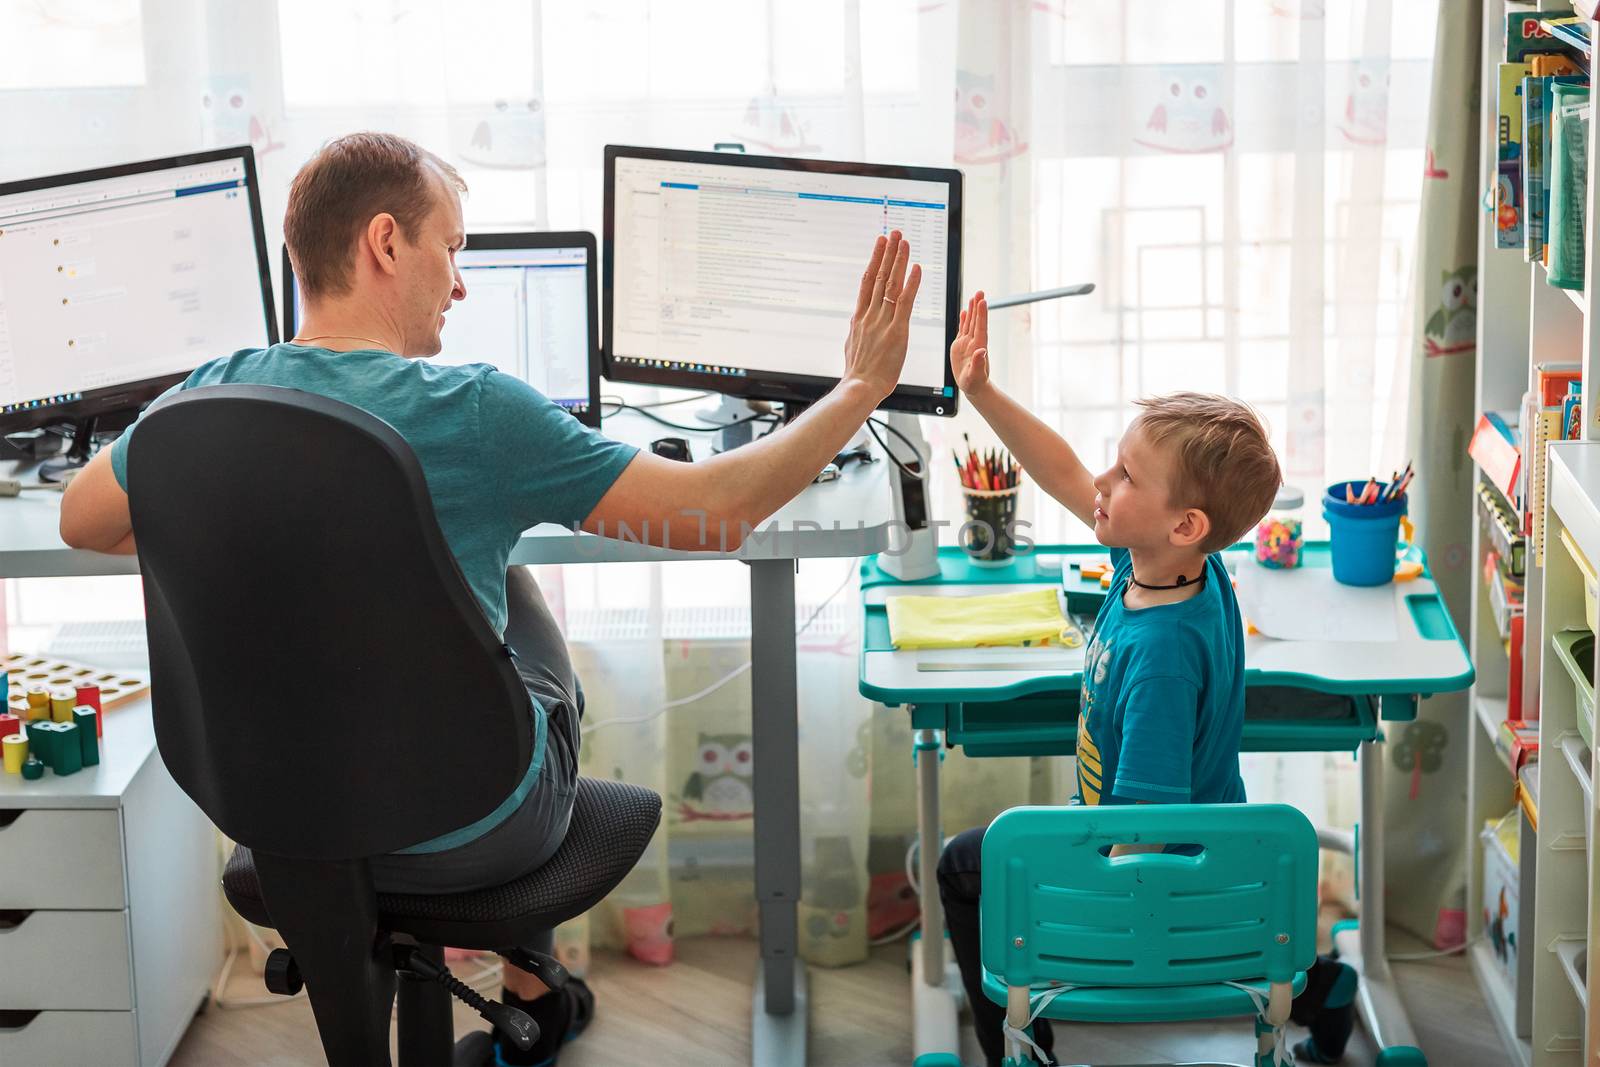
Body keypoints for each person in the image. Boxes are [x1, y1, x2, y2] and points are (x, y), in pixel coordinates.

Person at [58, 131, 922, 1066]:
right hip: (467, 826)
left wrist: (255, 531)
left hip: (278, 821)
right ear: (386, 243)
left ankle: (513, 992)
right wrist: (860, 386)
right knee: (507, 592)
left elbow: (81, 518)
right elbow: (715, 510)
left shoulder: (212, 393)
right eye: (453, 248)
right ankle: (534, 992)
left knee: (470, 588)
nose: (460, 283)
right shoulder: (475, 410)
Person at [935, 293, 1355, 1065]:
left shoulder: (1160, 656)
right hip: (1218, 871)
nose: (1100, 479)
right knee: (1008, 853)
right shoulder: (1178, 563)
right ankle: (1325, 989)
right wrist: (983, 391)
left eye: (1125, 474)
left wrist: (1061, 889)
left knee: (969, 862)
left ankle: (1021, 1046)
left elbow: (1142, 831)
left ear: (1183, 522)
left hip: (1157, 882)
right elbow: (1067, 471)